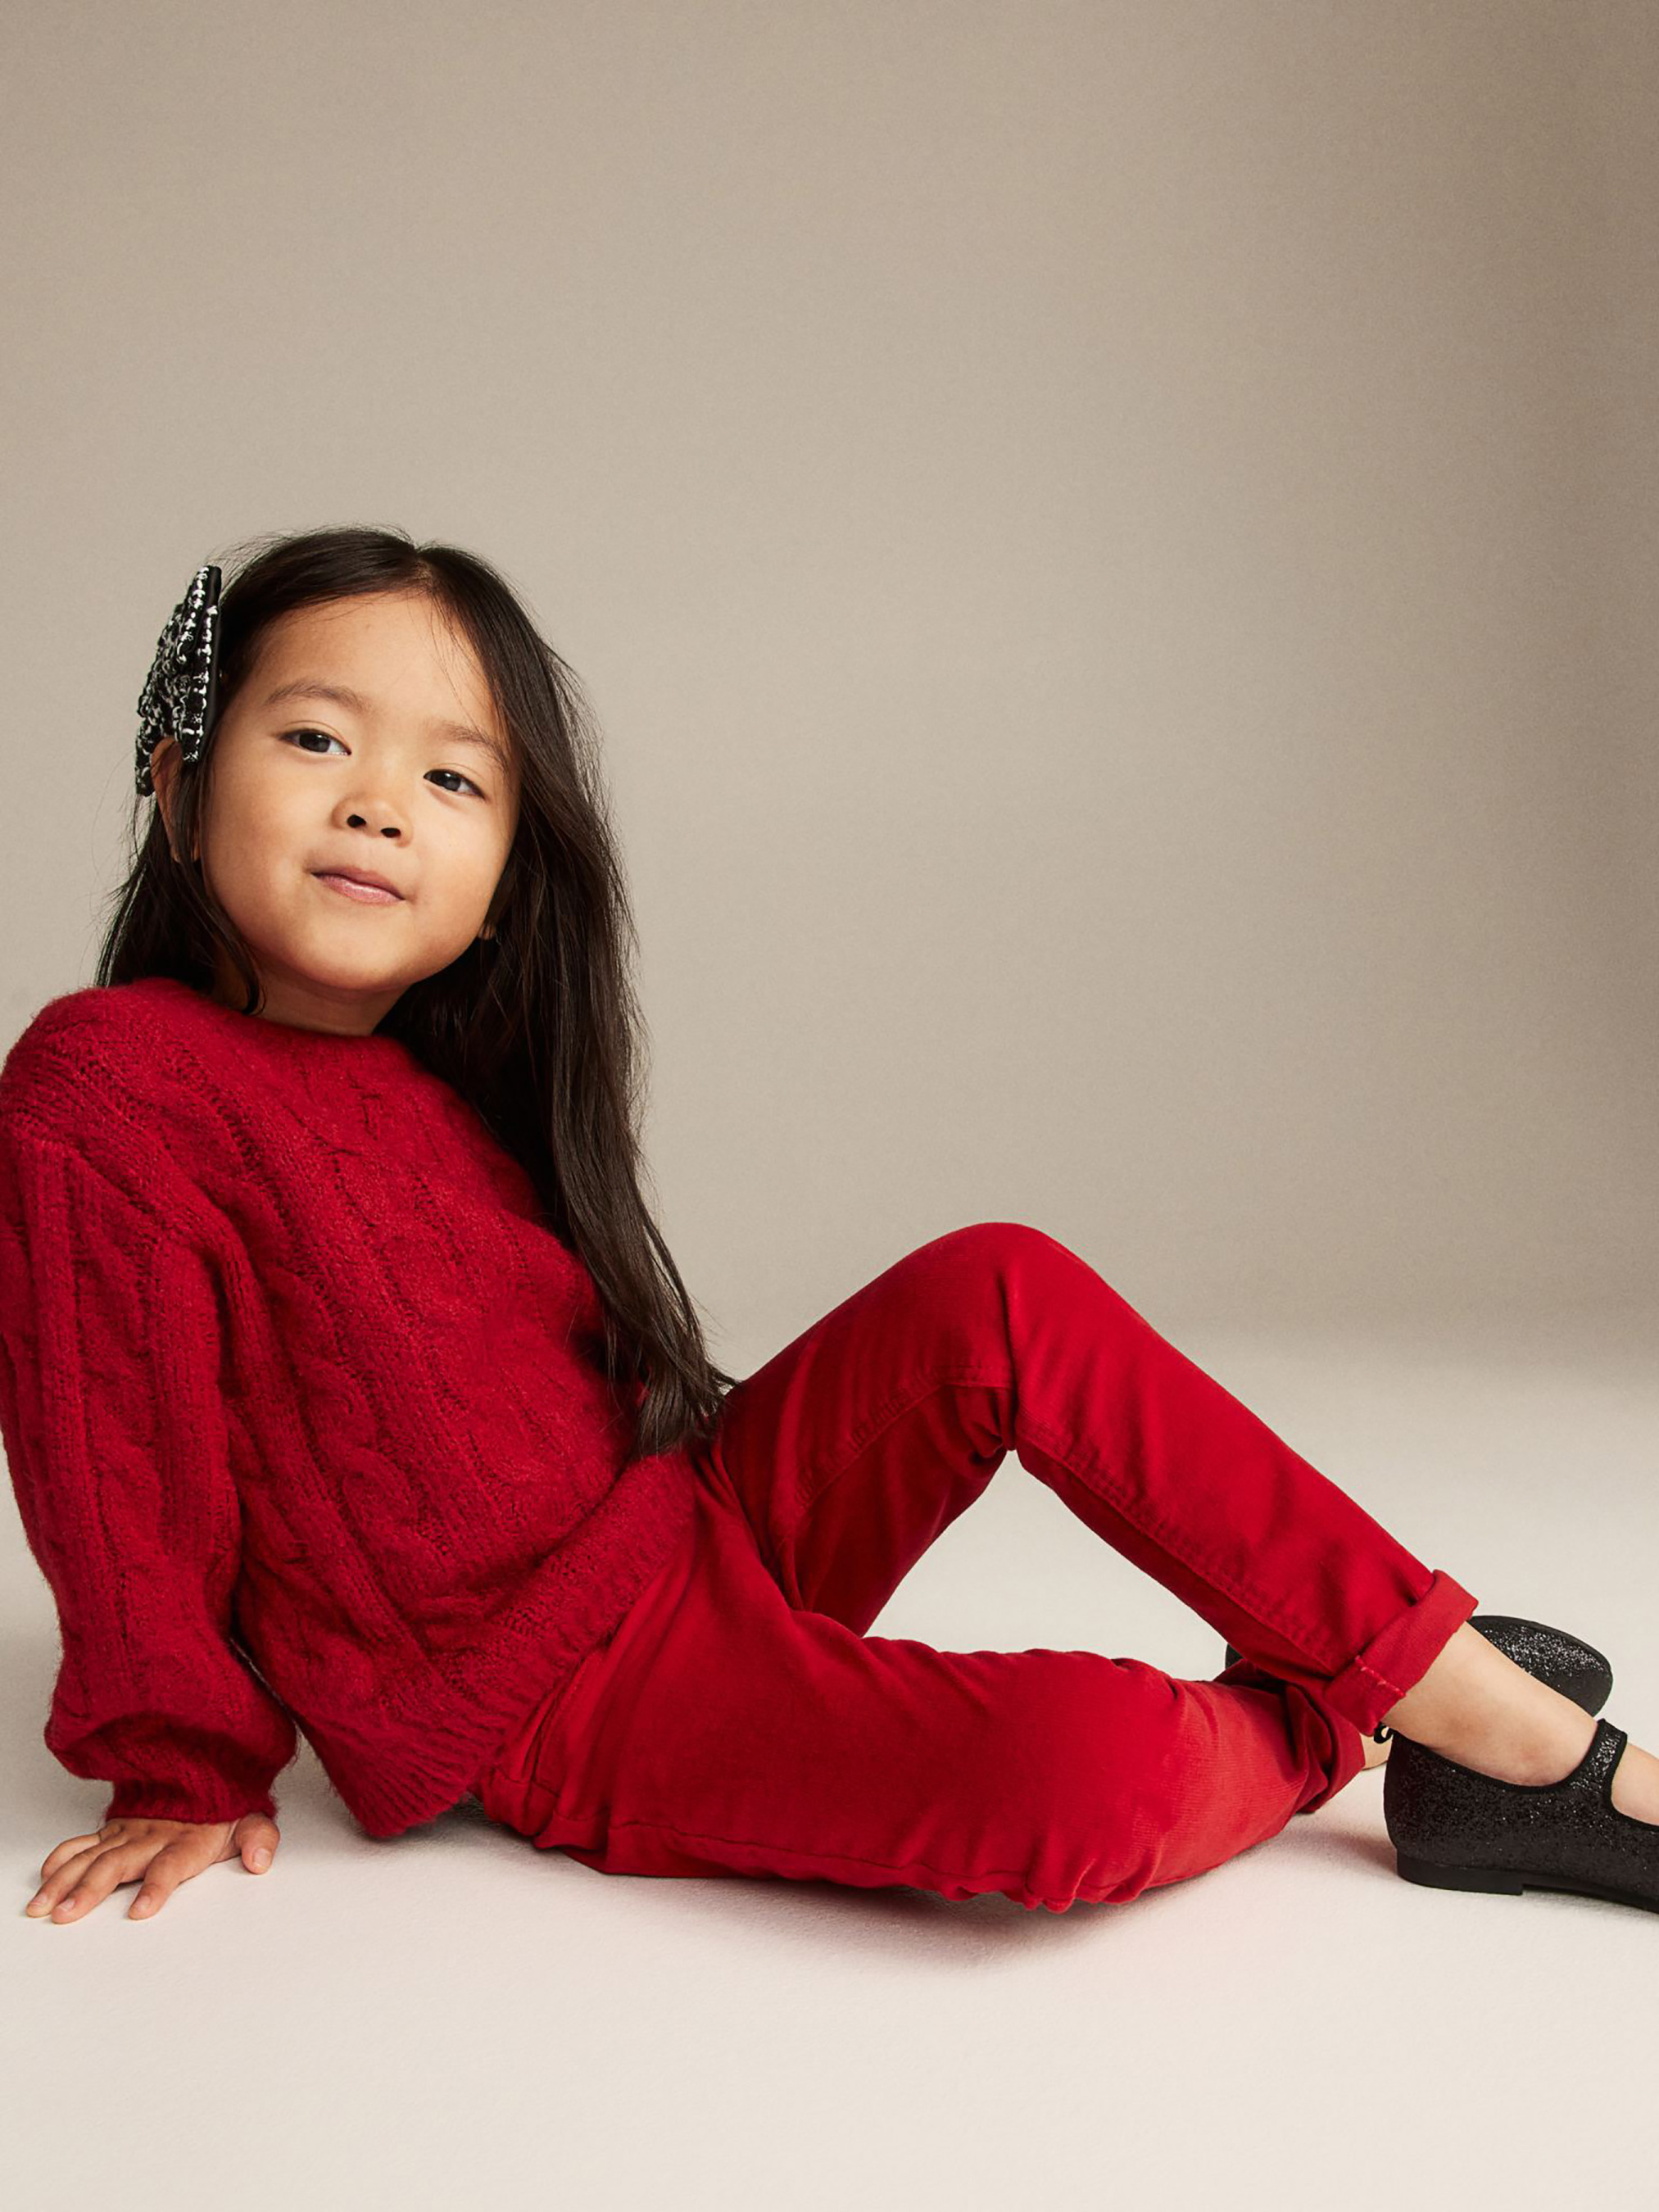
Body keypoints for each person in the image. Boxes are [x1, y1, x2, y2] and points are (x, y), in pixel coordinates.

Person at [3, 526, 1655, 1932]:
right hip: (557, 1704)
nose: (378, 806)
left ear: (504, 876)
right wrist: (181, 1764)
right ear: (179, 783)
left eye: (450, 779)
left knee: (996, 1284)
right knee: (1076, 1776)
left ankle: (1460, 1695)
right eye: (313, 740)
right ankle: (1362, 1730)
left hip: (684, 1522)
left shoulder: (443, 1080)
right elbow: (113, 1459)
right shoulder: (110, 1081)